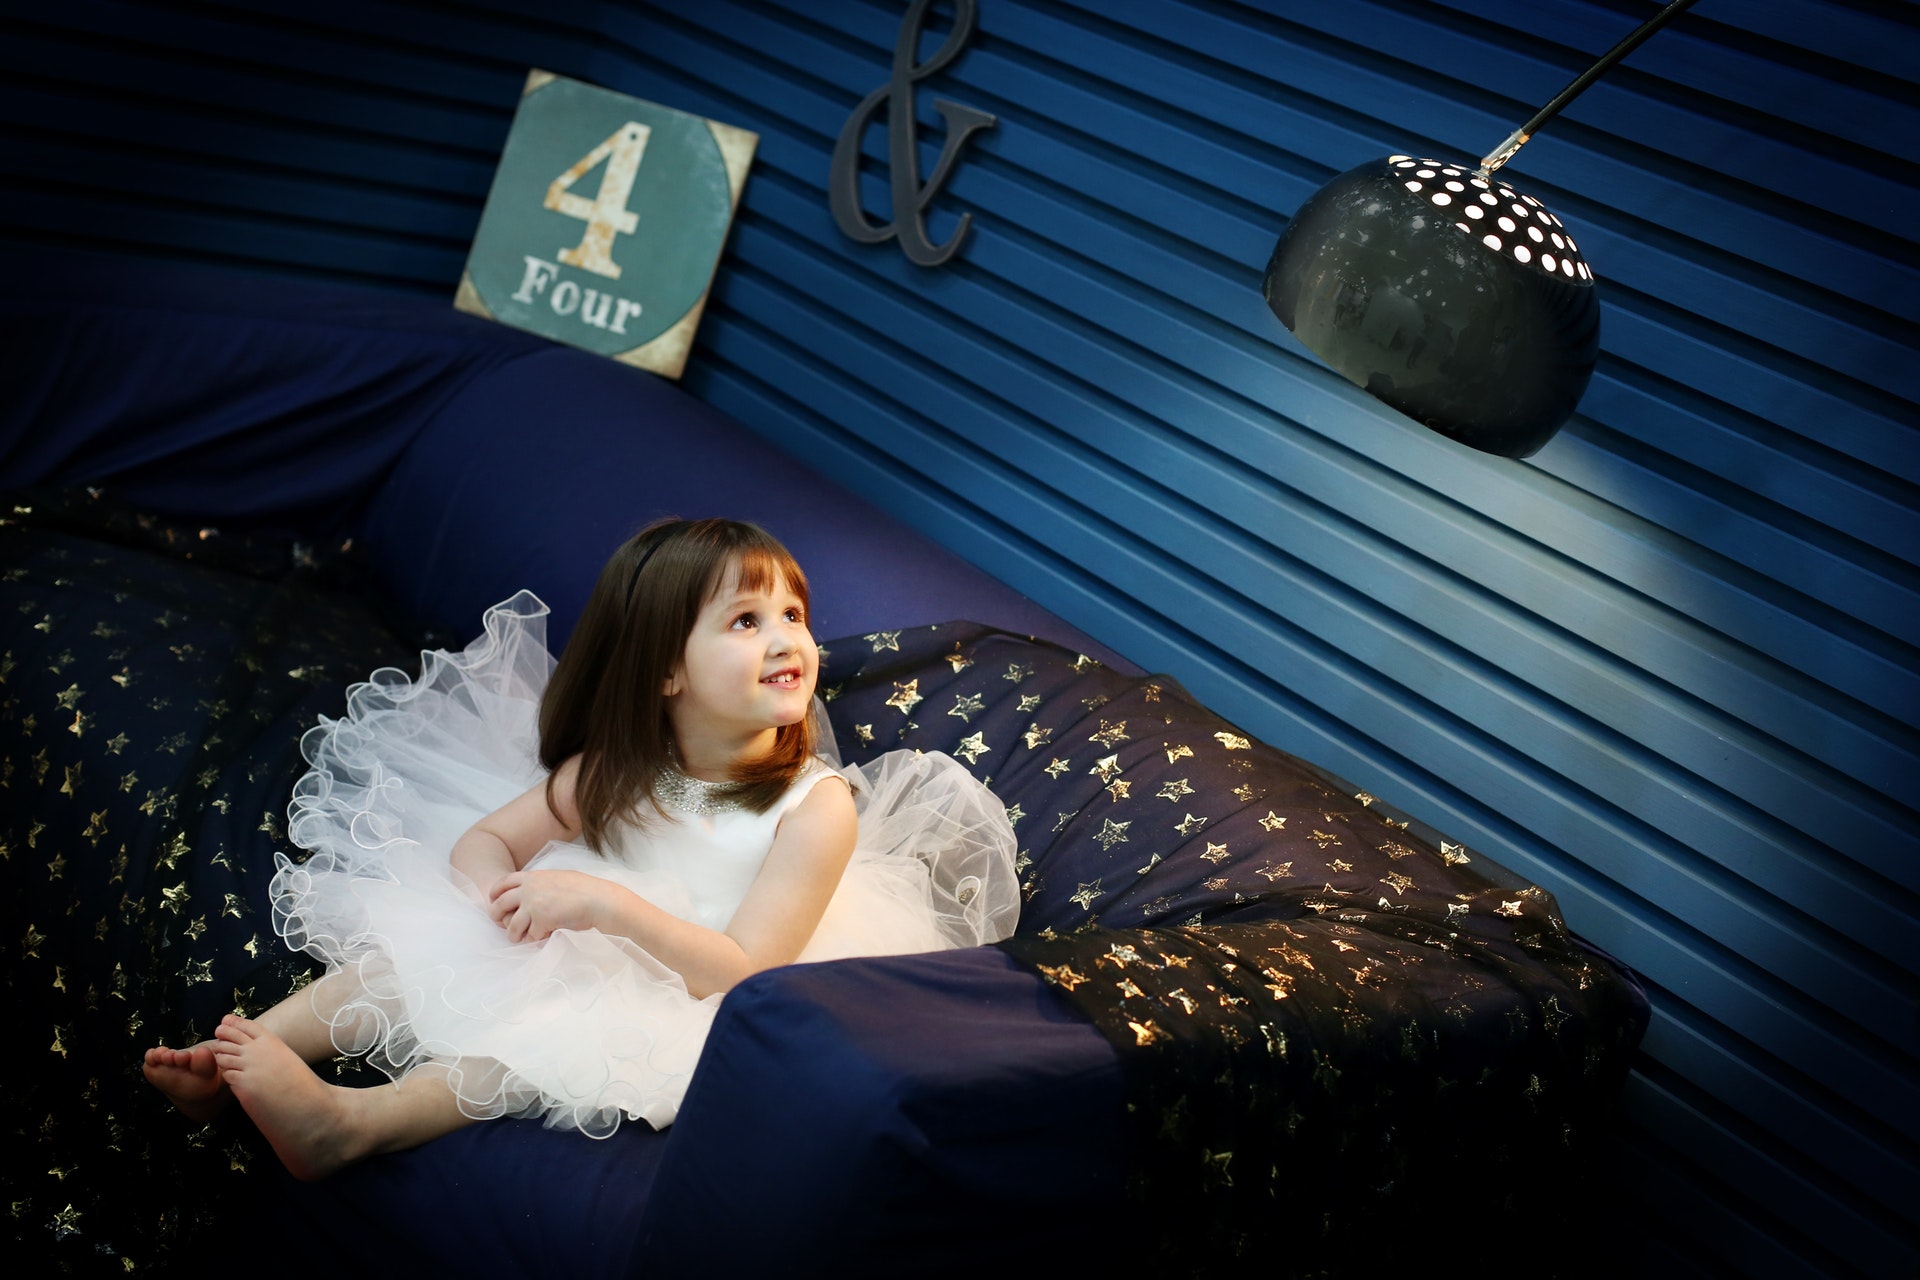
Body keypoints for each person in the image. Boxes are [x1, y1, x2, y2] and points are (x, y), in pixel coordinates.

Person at [142, 518, 1018, 1179]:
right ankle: (232, 1061)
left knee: (540, 1041)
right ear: (665, 671)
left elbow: (748, 971)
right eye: (746, 621)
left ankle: (350, 1126)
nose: (788, 637)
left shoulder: (814, 809)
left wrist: (606, 907)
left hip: (700, 985)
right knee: (414, 953)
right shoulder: (618, 768)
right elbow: (490, 840)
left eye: (793, 613)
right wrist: (496, 904)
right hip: (584, 931)